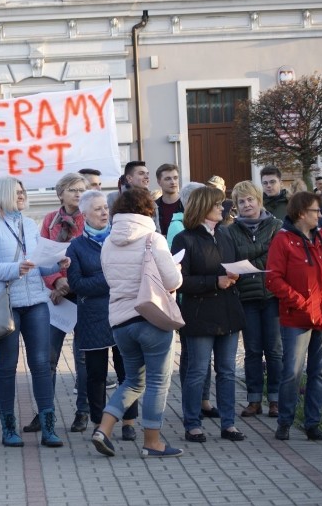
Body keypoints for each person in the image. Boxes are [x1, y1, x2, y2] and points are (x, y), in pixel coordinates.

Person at [0, 177, 70, 448]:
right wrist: (14, 269)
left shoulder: (28, 224)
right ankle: (8, 428)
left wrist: (57, 264)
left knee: (41, 364)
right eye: (17, 192)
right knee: (6, 367)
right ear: (3, 195)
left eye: (23, 191)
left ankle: (49, 428)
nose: (22, 196)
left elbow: (38, 264)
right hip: (5, 304)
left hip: (36, 302)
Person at [92, 187, 183, 458]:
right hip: (151, 318)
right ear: (148, 210)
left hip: (120, 322)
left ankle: (103, 429)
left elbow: (111, 281)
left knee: (132, 380)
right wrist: (177, 270)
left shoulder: (108, 242)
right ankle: (153, 442)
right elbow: (173, 282)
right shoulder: (153, 239)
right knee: (156, 381)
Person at [268, 191, 322, 441]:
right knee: (292, 371)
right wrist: (300, 301)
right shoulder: (283, 241)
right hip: (297, 318)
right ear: (302, 213)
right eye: (316, 211)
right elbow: (273, 279)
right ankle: (285, 422)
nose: (320, 215)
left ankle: (313, 424)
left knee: (319, 371)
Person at [171, 186, 246, 443]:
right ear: (203, 208)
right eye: (216, 205)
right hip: (200, 314)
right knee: (198, 371)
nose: (221, 209)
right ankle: (192, 424)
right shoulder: (184, 238)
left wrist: (237, 275)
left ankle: (229, 424)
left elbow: (232, 266)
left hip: (228, 312)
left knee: (227, 371)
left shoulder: (225, 235)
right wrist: (215, 281)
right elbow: (179, 280)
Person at [66, 190, 135, 439]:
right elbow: (77, 284)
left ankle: (128, 421)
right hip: (92, 317)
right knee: (95, 374)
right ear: (84, 215)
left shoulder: (121, 239)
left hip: (122, 312)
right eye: (97, 209)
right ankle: (98, 422)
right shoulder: (75, 247)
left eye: (106, 207)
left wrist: (108, 280)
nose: (104, 212)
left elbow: (131, 273)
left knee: (127, 370)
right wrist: (111, 278)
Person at [37, 172, 90, 433]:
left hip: (83, 295)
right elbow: (43, 256)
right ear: (61, 194)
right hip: (57, 297)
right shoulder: (50, 220)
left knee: (82, 357)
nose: (78, 194)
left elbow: (93, 257)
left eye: (81, 190)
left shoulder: (89, 219)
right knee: (48, 357)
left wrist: (73, 282)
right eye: (73, 190)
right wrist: (57, 281)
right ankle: (44, 412)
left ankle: (83, 412)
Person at [228, 181, 283, 418]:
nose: (247, 204)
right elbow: (230, 259)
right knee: (252, 350)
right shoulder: (230, 231)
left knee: (274, 350)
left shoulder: (276, 226)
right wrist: (257, 260)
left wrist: (247, 264)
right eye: (241, 201)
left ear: (259, 200)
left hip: (272, 296)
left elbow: (275, 259)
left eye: (250, 199)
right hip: (246, 297)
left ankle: (276, 399)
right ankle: (253, 400)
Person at [155, 164, 183, 236]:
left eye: (175, 178)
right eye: (168, 179)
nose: (173, 182)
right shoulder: (154, 207)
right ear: (159, 182)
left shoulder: (187, 204)